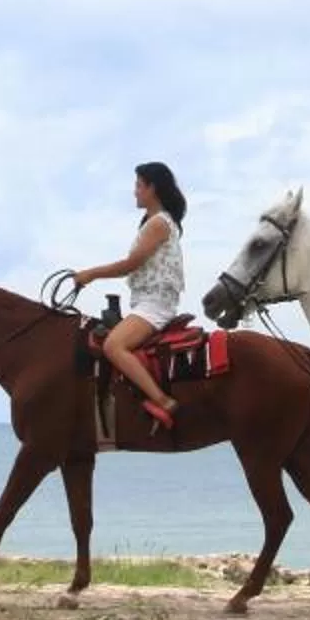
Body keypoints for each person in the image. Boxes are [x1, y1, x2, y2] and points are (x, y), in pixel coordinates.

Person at [69, 162, 193, 431]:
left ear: (152, 188)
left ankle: (162, 400)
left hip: (154, 305)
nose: (135, 192)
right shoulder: (155, 222)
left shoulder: (158, 224)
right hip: (148, 302)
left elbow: (130, 264)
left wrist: (90, 274)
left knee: (114, 346)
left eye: (139, 185)